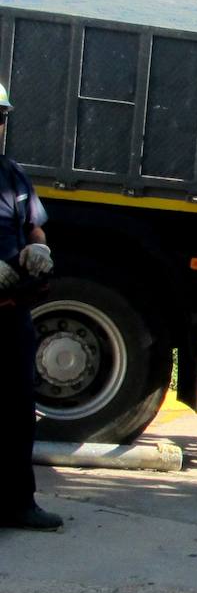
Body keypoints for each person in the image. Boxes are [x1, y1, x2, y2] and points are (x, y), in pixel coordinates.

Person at [0, 82, 62, 531]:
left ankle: (19, 503)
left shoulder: (12, 175)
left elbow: (33, 227)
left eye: (0, 119)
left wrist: (37, 250)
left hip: (9, 313)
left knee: (17, 409)